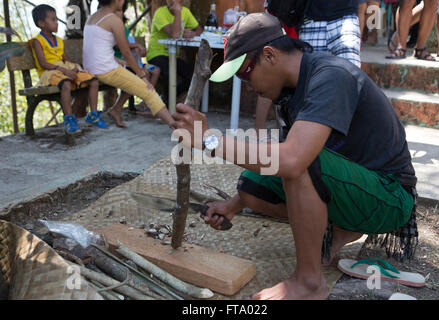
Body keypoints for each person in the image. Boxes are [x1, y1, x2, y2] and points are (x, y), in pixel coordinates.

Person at [172, 13, 418, 300]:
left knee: (297, 162)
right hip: (353, 184)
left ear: (269, 55)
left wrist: (208, 139)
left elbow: (293, 160)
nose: (248, 85)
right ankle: (339, 227)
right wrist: (233, 205)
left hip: (389, 196)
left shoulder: (331, 76)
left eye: (245, 73)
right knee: (252, 186)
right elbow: (279, 158)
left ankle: (308, 283)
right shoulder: (291, 89)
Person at [255, 0, 361, 133]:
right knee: (305, 86)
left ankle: (347, 139)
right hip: (308, 18)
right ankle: (288, 136)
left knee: (350, 81)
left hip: (345, 14)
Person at [83, 0, 175, 128]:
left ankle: (115, 110)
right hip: (105, 70)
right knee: (147, 91)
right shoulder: (114, 20)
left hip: (90, 68)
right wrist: (143, 77)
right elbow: (126, 53)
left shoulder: (91, 17)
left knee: (135, 83)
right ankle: (175, 126)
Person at [30, 4, 107, 134]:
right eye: (53, 20)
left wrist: (74, 68)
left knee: (93, 80)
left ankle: (93, 114)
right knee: (66, 84)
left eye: (56, 19)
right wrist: (65, 70)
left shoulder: (59, 40)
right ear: (41, 23)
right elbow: (43, 63)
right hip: (49, 73)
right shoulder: (37, 41)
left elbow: (66, 59)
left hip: (63, 69)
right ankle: (69, 119)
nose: (56, 23)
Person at [146, 0, 203, 103]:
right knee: (169, 72)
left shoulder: (185, 12)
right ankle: (167, 102)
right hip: (156, 54)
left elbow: (199, 29)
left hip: (172, 56)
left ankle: (166, 97)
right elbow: (174, 35)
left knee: (192, 76)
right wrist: (178, 13)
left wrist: (192, 33)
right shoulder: (160, 12)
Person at [112, 2, 161, 117]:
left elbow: (135, 48)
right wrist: (136, 46)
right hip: (126, 64)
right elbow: (118, 45)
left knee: (156, 70)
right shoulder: (113, 30)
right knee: (145, 74)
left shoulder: (126, 30)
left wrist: (141, 50)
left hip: (138, 62)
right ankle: (148, 102)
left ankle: (146, 101)